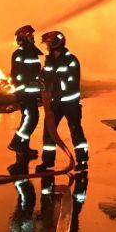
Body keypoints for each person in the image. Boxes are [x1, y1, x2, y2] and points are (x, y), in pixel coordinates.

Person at [37, 30, 89, 172]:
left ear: (55, 44)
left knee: (75, 130)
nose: (46, 47)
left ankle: (82, 161)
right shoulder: (50, 60)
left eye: (48, 44)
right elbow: (44, 77)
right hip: (55, 103)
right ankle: (47, 162)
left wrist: (50, 79)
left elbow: (65, 79)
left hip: (70, 103)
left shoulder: (71, 60)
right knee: (49, 131)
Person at [7, 24, 43, 161]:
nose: (33, 38)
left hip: (31, 92)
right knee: (30, 118)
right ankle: (16, 143)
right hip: (25, 92)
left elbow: (35, 72)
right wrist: (30, 85)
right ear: (23, 37)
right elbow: (18, 75)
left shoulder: (31, 52)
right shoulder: (19, 53)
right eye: (30, 36)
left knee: (29, 118)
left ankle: (24, 146)